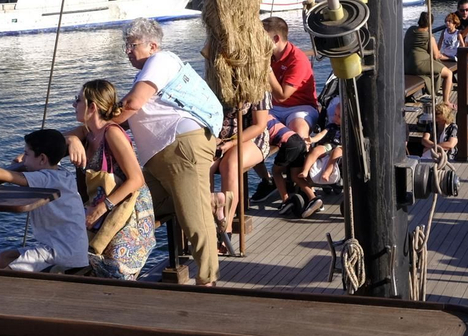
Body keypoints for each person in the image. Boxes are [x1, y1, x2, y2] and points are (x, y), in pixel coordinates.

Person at [113, 18, 224, 286]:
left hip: (180, 147)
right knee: (141, 203)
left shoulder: (160, 60)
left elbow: (132, 104)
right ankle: (212, 200)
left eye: (132, 45)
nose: (127, 51)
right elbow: (132, 112)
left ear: (152, 46)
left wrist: (98, 125)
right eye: (126, 45)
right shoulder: (148, 72)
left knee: (194, 219)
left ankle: (207, 282)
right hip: (161, 157)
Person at [64, 79, 156, 280]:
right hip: (105, 206)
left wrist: (102, 207)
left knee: (113, 267)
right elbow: (56, 139)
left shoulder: (112, 133)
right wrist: (71, 139)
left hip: (128, 207)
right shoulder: (88, 134)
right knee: (76, 252)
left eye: (78, 100)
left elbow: (136, 179)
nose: (73, 104)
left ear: (92, 107)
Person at [0, 129, 89, 274]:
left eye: (26, 154)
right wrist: (23, 162)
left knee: (1, 275)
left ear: (42, 159)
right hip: (74, 250)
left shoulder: (44, 178)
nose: (23, 159)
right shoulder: (63, 174)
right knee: (3, 258)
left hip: (59, 252)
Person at [213, 89, 272, 245]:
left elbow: (259, 125)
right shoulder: (213, 82)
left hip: (250, 139)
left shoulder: (258, 86)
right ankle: (206, 221)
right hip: (218, 138)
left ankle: (225, 229)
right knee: (203, 166)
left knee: (230, 164)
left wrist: (232, 142)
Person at [263, 16, 320, 138]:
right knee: (254, 124)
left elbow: (282, 96)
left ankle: (302, 148)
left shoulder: (297, 60)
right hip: (272, 107)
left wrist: (266, 68)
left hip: (300, 108)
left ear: (276, 39)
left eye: (261, 38)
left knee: (299, 131)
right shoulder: (268, 56)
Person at [289, 96, 342, 219]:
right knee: (316, 150)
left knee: (336, 152)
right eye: (335, 115)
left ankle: (327, 172)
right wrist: (312, 139)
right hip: (329, 145)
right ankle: (305, 170)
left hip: (341, 146)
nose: (335, 118)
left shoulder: (348, 129)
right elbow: (322, 134)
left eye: (339, 116)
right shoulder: (331, 126)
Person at [405, 10, 455, 99]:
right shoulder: (429, 37)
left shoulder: (410, 30)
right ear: (430, 24)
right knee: (448, 73)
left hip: (407, 64)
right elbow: (436, 56)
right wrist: (451, 58)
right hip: (419, 65)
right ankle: (446, 101)